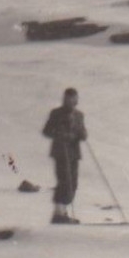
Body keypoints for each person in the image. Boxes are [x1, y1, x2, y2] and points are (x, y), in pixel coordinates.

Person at [42, 87, 88, 224]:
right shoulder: (56, 113)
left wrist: (80, 134)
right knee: (64, 181)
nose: (71, 101)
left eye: (73, 98)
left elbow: (84, 134)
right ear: (64, 99)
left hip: (74, 153)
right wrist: (58, 133)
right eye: (68, 98)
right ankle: (58, 214)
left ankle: (63, 213)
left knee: (73, 183)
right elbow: (47, 131)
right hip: (61, 152)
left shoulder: (79, 115)